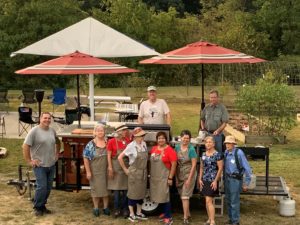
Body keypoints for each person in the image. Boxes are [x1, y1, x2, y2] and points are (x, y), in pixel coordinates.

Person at [22, 112, 61, 216]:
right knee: (42, 186)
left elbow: (58, 142)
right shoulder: (34, 131)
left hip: (51, 164)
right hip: (39, 165)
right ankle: (37, 207)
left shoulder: (52, 131)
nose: (47, 120)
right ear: (40, 119)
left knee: (48, 187)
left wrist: (57, 153)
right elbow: (25, 146)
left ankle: (43, 205)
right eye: (45, 118)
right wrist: (29, 161)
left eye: (49, 118)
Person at [118, 127, 148, 222]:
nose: (141, 138)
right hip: (134, 172)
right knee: (132, 194)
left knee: (141, 193)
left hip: (143, 172)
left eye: (142, 135)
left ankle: (139, 213)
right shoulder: (131, 146)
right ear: (134, 137)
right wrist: (125, 169)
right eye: (139, 136)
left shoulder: (144, 144)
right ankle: (131, 214)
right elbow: (120, 157)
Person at [223, 135, 252, 225]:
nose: (227, 145)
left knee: (234, 201)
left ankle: (235, 222)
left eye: (229, 143)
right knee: (228, 200)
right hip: (227, 179)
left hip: (235, 180)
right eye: (226, 143)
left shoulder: (239, 153)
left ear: (233, 144)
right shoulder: (226, 152)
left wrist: (246, 183)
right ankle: (231, 219)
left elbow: (247, 168)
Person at [83, 124, 110, 217]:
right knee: (95, 190)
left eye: (102, 130)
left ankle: (106, 207)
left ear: (104, 132)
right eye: (98, 130)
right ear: (95, 132)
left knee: (106, 190)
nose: (100, 132)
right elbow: (86, 158)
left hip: (106, 170)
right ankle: (96, 208)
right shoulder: (91, 144)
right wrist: (88, 171)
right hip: (95, 171)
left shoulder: (108, 142)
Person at [150, 131, 177, 225]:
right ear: (157, 140)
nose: (161, 140)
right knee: (158, 195)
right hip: (154, 177)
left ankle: (168, 217)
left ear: (166, 139)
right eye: (159, 138)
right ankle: (163, 212)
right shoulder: (153, 149)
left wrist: (170, 178)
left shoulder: (170, 150)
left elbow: (174, 165)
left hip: (164, 177)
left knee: (165, 196)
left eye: (163, 138)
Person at [198, 136, 223, 225]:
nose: (208, 144)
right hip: (204, 180)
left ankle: (213, 221)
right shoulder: (203, 154)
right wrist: (200, 179)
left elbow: (220, 169)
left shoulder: (217, 154)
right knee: (206, 201)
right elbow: (201, 167)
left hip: (212, 180)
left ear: (213, 144)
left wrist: (216, 180)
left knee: (209, 201)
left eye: (210, 142)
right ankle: (209, 219)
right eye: (206, 142)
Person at [107, 125, 131, 218]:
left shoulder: (127, 141)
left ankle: (125, 209)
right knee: (116, 191)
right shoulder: (112, 142)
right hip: (116, 168)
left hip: (125, 168)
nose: (126, 132)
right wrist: (110, 167)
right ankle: (116, 209)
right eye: (124, 130)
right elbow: (108, 156)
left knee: (125, 190)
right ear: (119, 131)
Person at [175, 130, 197, 224]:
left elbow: (194, 165)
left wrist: (189, 179)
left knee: (185, 196)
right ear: (181, 138)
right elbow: (175, 163)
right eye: (184, 138)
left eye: (188, 138)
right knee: (182, 195)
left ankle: (185, 218)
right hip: (180, 173)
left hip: (189, 173)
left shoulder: (191, 149)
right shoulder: (177, 147)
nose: (186, 140)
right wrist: (176, 177)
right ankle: (188, 213)